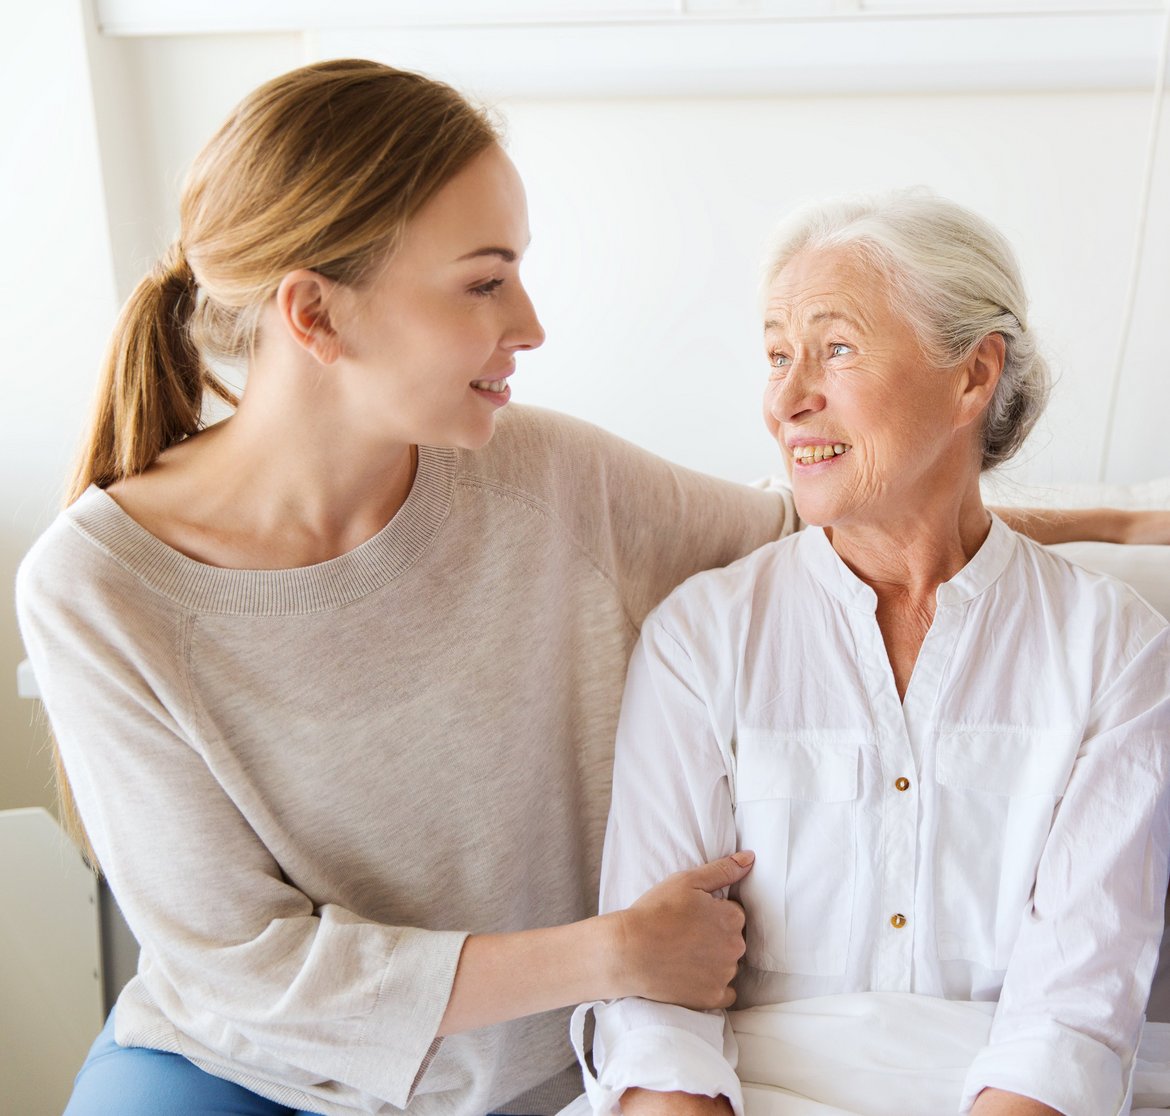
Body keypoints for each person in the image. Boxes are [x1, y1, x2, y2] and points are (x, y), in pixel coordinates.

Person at [13, 61, 1166, 1116]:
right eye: (484, 282)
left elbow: (847, 517)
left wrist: (1122, 523)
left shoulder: (542, 475)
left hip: (536, 1061)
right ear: (314, 314)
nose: (530, 324)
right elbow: (246, 970)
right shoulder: (97, 589)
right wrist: (614, 954)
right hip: (247, 1068)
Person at [578, 190, 1170, 1116]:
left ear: (973, 377)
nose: (786, 399)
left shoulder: (1116, 650)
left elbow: (1072, 1018)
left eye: (836, 349)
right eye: (777, 356)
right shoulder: (701, 638)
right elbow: (654, 1016)